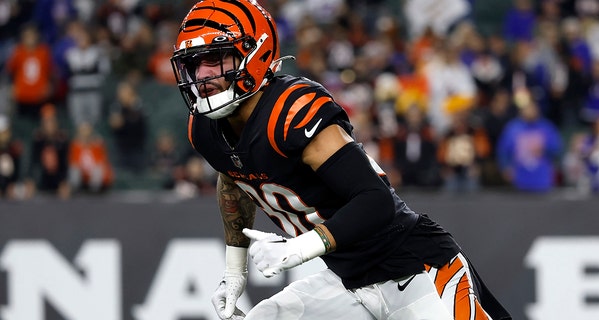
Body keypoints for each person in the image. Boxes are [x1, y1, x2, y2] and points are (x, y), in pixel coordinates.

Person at [170, 1, 511, 320]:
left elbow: (376, 201)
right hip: (348, 278)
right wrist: (234, 270)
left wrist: (300, 248)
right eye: (194, 63)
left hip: (415, 268)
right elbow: (233, 177)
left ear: (253, 54)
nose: (202, 75)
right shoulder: (205, 128)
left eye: (215, 59)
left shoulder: (289, 112)